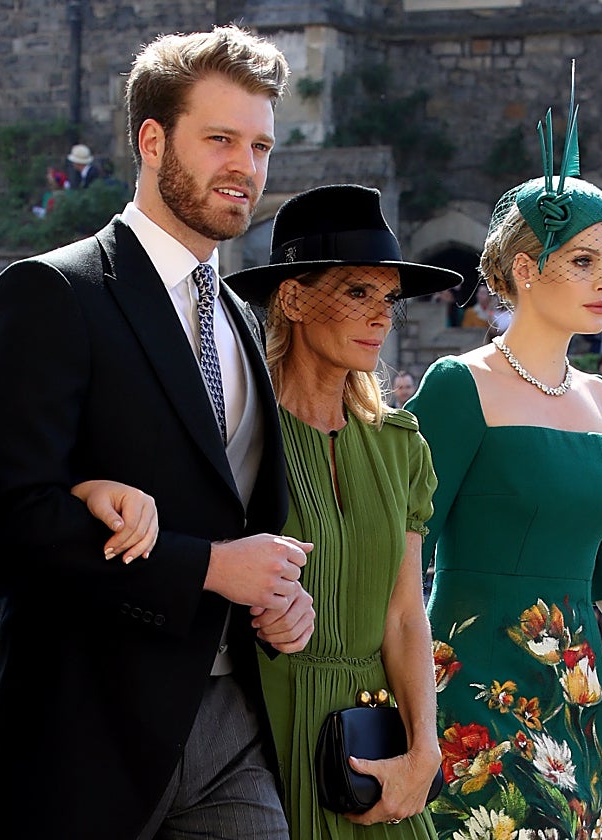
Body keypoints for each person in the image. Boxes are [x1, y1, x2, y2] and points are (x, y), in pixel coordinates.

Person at [0, 26, 316, 840]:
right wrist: (210, 570)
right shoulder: (53, 292)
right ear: (152, 140)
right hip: (81, 734)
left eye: (260, 145)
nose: (246, 167)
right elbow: (12, 524)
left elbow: (234, 510)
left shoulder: (236, 316)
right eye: (221, 139)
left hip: (234, 725)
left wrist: (282, 599)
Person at [405, 87, 602, 840]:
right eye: (581, 261)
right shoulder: (458, 387)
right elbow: (399, 551)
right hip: (468, 705)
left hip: (579, 710)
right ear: (524, 268)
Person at [227, 184, 461, 836]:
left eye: (388, 299)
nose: (381, 316)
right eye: (358, 292)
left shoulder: (401, 447)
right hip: (257, 740)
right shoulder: (238, 437)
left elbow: (405, 615)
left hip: (373, 748)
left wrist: (424, 749)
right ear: (294, 298)